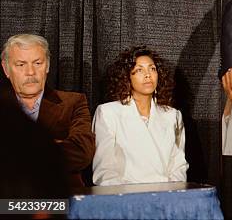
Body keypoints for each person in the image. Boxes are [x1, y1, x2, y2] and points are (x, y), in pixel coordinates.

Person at [1, 33, 95, 187]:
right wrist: (52, 146)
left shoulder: (73, 102)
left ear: (48, 65)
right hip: (7, 202)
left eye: (37, 63)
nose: (30, 72)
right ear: (6, 69)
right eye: (21, 64)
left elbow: (81, 152)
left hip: (59, 201)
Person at [92, 46, 188, 185]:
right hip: (126, 199)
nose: (147, 74)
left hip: (167, 198)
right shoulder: (108, 113)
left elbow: (179, 165)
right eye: (139, 70)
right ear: (127, 77)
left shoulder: (173, 116)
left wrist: (170, 193)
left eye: (152, 69)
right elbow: (105, 171)